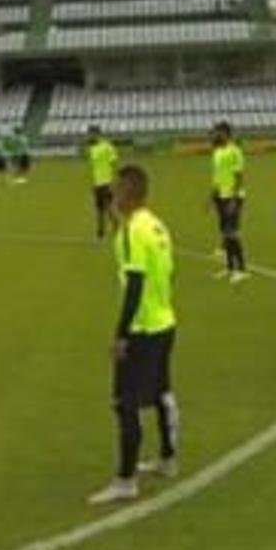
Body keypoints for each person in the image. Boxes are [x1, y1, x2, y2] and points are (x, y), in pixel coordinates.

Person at [89, 164, 179, 505]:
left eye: (115, 189)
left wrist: (121, 334)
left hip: (142, 329)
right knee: (160, 392)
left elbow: (135, 284)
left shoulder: (133, 232)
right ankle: (168, 458)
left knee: (125, 403)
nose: (111, 193)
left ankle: (125, 480)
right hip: (164, 321)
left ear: (127, 193)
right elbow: (168, 275)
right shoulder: (157, 226)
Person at [207, 122, 250, 283]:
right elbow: (217, 177)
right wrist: (211, 197)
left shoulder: (235, 151)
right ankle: (230, 267)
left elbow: (239, 176)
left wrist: (233, 199)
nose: (216, 135)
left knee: (232, 232)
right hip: (221, 196)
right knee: (225, 232)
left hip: (233, 196)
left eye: (218, 132)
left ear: (226, 133)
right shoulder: (217, 152)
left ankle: (242, 269)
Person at [85, 125, 120, 239]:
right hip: (97, 183)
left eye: (91, 134)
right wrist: (94, 183)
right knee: (99, 210)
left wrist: (114, 181)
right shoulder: (92, 149)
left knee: (109, 208)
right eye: (89, 134)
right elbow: (94, 167)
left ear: (97, 134)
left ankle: (117, 228)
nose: (89, 136)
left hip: (107, 182)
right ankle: (100, 233)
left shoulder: (107, 146)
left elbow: (113, 163)